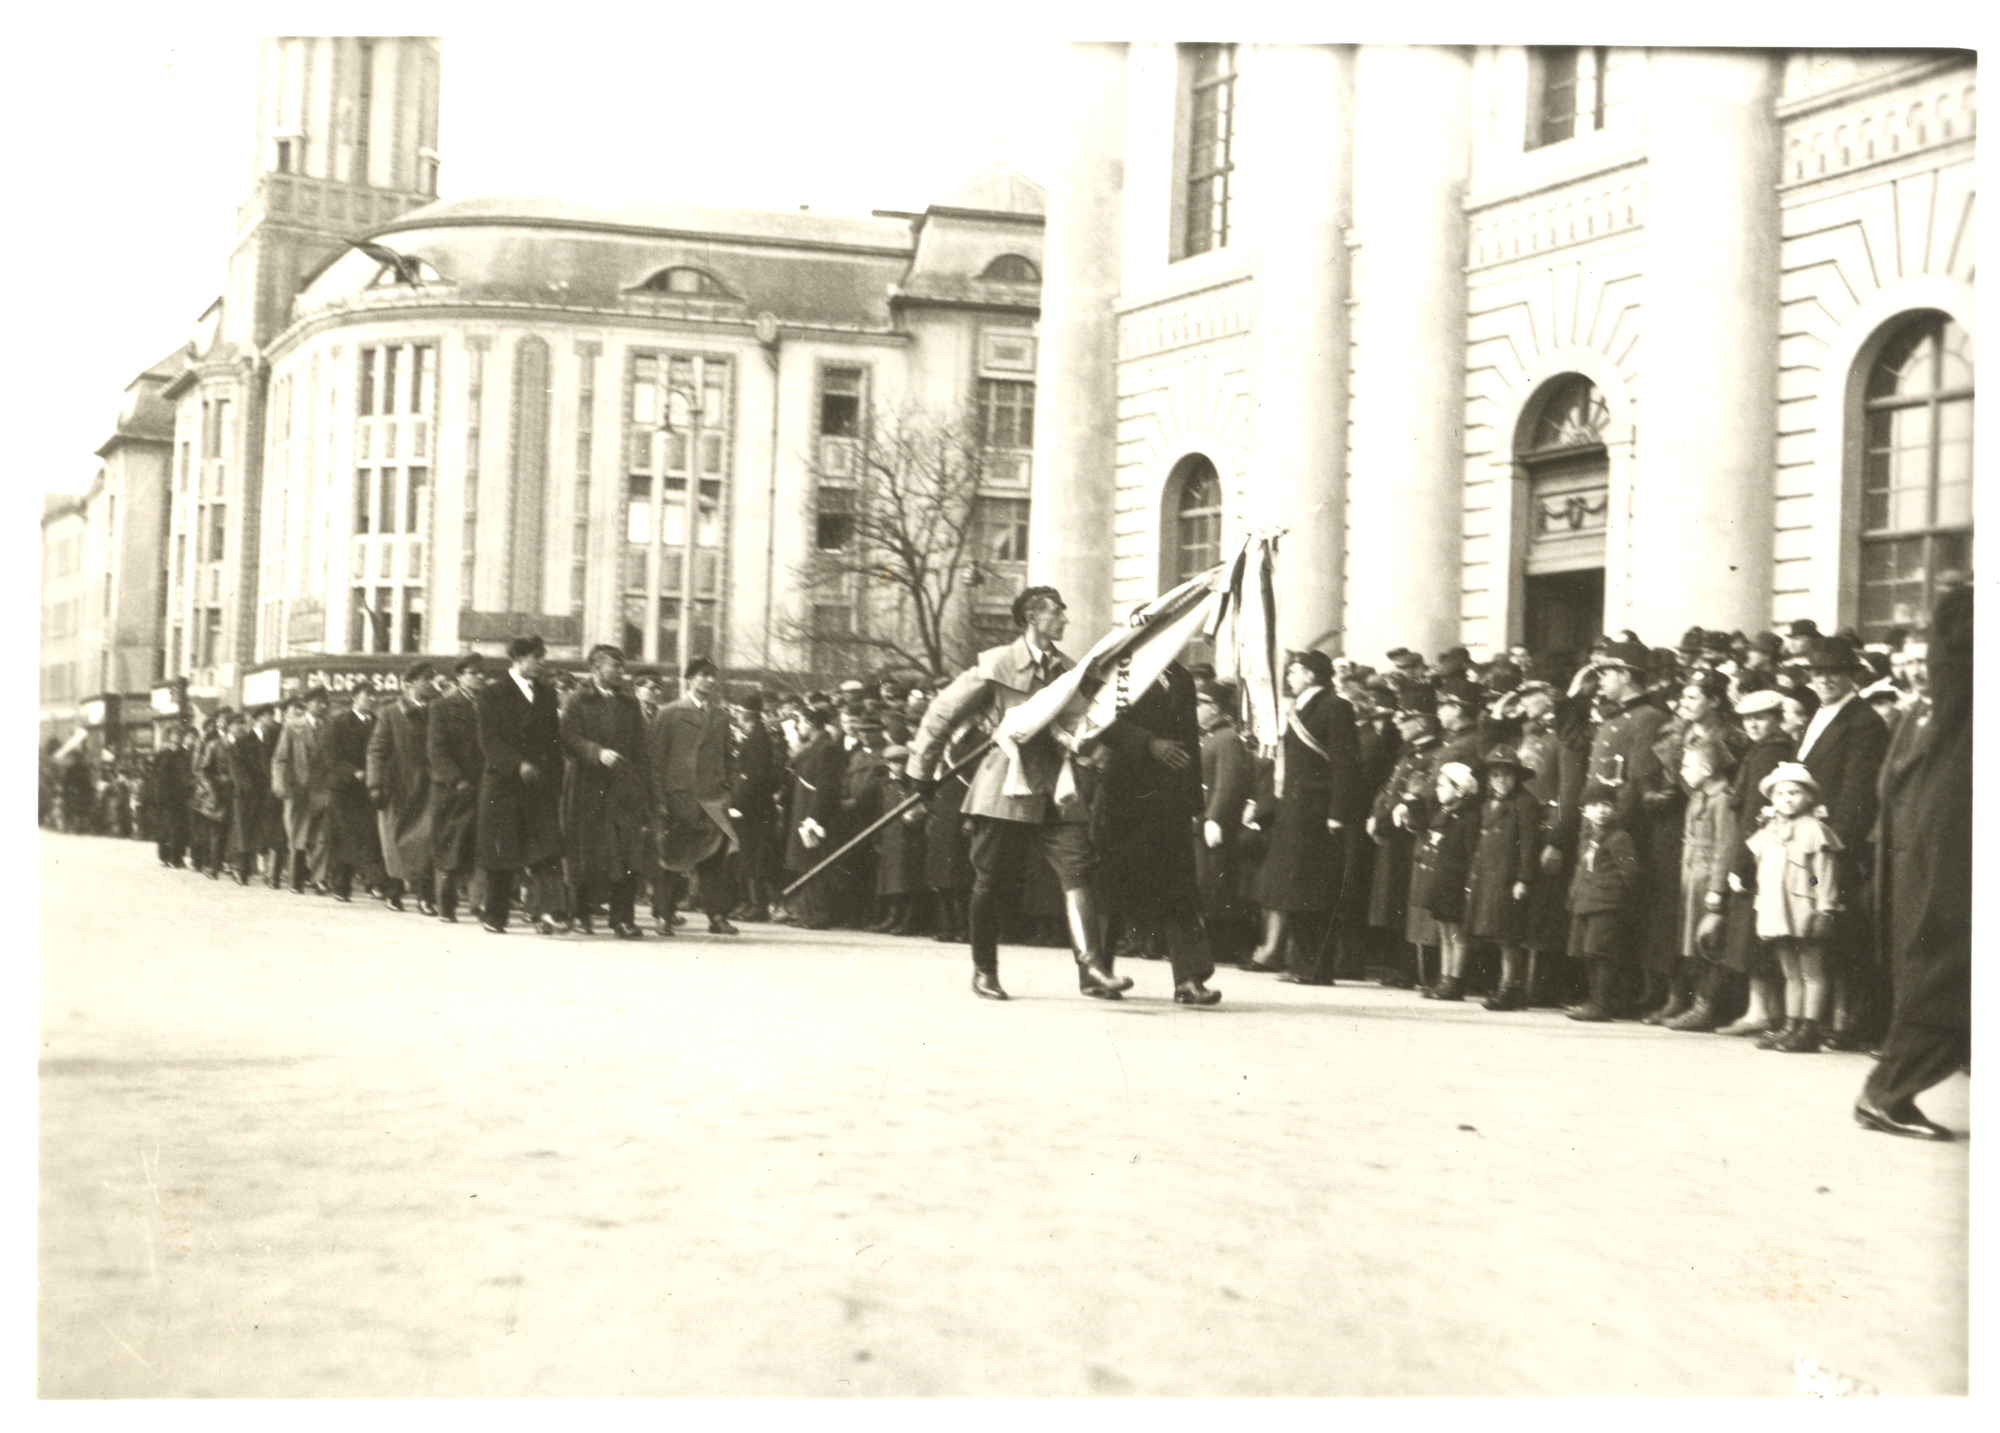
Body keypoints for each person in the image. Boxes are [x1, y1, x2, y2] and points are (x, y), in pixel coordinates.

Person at [905, 585, 1129, 1002]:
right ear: (1032, 618)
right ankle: (984, 972)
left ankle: (1093, 969)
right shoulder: (997, 663)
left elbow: (1086, 724)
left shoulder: (1070, 670)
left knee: (1078, 871)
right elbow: (942, 712)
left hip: (1057, 787)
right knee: (989, 879)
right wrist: (921, 769)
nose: (1065, 619)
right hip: (1005, 784)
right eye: (1056, 612)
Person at [1856, 585, 1970, 1140]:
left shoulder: (1945, 715)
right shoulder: (1953, 711)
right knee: (1945, 985)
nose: (1917, 669)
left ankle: (1887, 1093)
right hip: (1938, 872)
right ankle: (1887, 1094)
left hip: (1932, 866)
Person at [1092, 658, 1222, 1005]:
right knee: (1112, 884)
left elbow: (1190, 739)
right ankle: (1098, 974)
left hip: (1171, 797)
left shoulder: (1180, 675)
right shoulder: (1119, 665)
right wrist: (1148, 743)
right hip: (1125, 794)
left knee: (1180, 886)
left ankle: (1190, 979)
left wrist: (1194, 802)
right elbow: (1099, 720)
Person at [1793, 634, 1892, 1052]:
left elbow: (1857, 793)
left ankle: (1856, 1022)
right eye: (1817, 673)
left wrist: (1836, 847)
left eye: (1834, 673)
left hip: (1838, 846)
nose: (1825, 680)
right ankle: (1825, 1019)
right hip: (1809, 844)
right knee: (1819, 929)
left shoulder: (1863, 721)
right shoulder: (1820, 715)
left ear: (1852, 676)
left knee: (1845, 930)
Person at [1242, 649, 1363, 986]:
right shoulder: (1297, 708)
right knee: (1293, 892)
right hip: (1292, 814)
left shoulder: (1336, 706)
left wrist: (1338, 813)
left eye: (1294, 671)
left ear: (1311, 674)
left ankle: (1317, 967)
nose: (1290, 677)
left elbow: (1346, 764)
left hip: (1317, 814)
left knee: (1315, 894)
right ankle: (1302, 964)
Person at [1745, 762, 1844, 1053]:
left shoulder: (1815, 830)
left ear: (1809, 797)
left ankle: (1809, 1027)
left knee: (1811, 971)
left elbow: (1819, 873)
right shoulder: (1771, 830)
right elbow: (1764, 869)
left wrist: (1821, 904)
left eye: (1794, 793)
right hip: (1778, 909)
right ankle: (1792, 1024)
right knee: (1790, 972)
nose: (1786, 799)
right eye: (1780, 794)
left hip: (1803, 908)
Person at [1713, 689, 1796, 1038]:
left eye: (1761, 718)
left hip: (1757, 851)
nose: (1753, 725)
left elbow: (1752, 811)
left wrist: (1742, 863)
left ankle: (1759, 1011)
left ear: (1776, 718)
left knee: (1753, 934)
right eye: (1748, 719)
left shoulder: (1768, 751)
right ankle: (1768, 1011)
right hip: (1764, 849)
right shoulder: (1766, 748)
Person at [475, 636, 569, 934]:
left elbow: (553, 741)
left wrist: (555, 780)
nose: (543, 662)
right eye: (537, 657)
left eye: (543, 656)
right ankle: (494, 915)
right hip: (504, 784)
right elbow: (489, 740)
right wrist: (517, 764)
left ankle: (548, 912)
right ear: (518, 658)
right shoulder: (492, 694)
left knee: (547, 850)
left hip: (539, 785)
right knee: (501, 853)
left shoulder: (547, 693)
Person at [560, 644, 652, 939]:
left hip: (623, 789)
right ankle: (580, 915)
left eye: (623, 666)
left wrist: (644, 790)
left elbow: (641, 749)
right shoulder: (578, 700)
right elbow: (567, 737)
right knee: (585, 851)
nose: (621, 672)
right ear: (596, 668)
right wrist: (596, 752)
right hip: (587, 788)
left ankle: (622, 919)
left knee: (627, 853)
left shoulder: (629, 703)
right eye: (615, 666)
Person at [650, 656, 741, 936]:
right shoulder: (669, 713)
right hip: (680, 799)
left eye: (713, 675)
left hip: (713, 800)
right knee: (673, 859)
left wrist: (728, 791)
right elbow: (656, 761)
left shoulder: (721, 716)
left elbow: (729, 757)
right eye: (703, 675)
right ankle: (664, 915)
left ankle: (717, 917)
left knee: (714, 859)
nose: (710, 680)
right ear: (689, 679)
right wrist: (660, 799)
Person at [1671, 735, 1741, 1032]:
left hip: (1707, 878)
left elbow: (1726, 847)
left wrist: (1716, 888)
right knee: (1692, 942)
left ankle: (1707, 1006)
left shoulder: (1722, 800)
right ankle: (1694, 1004)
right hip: (1692, 876)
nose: (1682, 771)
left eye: (1687, 766)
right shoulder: (1698, 796)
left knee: (1708, 944)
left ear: (1708, 769)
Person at [1464, 745, 1542, 1011]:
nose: (1501, 780)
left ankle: (1511, 988)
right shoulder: (1488, 803)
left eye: (1507, 775)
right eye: (1495, 775)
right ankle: (1506, 985)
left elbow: (1529, 845)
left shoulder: (1525, 804)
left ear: (1517, 777)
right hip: (1488, 876)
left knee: (1509, 935)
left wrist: (1524, 879)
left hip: (1509, 877)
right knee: (1497, 934)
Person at [1564, 781, 1642, 1022]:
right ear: (1584, 811)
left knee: (1602, 954)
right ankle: (1595, 1000)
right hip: (1586, 903)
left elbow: (1631, 873)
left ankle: (1602, 1004)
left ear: (1615, 809)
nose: (1601, 810)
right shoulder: (1586, 837)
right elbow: (1581, 869)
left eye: (1607, 804)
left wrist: (1619, 898)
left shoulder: (1619, 838)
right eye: (1594, 805)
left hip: (1607, 905)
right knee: (1589, 953)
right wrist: (1574, 896)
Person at [1195, 679, 1257, 969]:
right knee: (1207, 883)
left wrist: (1215, 818)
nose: (1195, 709)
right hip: (1202, 820)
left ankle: (1223, 946)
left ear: (1215, 708)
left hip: (1215, 823)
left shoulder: (1227, 738)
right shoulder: (1212, 736)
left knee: (1216, 885)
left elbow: (1228, 783)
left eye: (1200, 704)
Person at [369, 664, 440, 914]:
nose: (430, 683)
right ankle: (394, 891)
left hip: (429, 786)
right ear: (409, 684)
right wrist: (375, 784)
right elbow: (377, 750)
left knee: (427, 839)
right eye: (425, 679)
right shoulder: (391, 713)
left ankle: (425, 896)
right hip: (399, 786)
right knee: (396, 841)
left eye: (432, 678)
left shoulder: (436, 710)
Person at [1410, 761, 1481, 1000]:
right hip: (1441, 881)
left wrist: (1469, 884)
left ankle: (1455, 980)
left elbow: (1472, 854)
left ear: (1459, 790)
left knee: (1456, 935)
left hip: (1456, 882)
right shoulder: (1444, 813)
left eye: (1443, 786)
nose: (1437, 790)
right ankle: (1444, 978)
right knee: (1444, 933)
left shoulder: (1467, 817)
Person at [426, 655, 488, 923]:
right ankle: (445, 902)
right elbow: (436, 750)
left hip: (484, 785)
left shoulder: (489, 705)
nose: (480, 677)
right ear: (460, 677)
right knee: (450, 845)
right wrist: (457, 779)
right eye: (474, 673)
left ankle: (479, 903)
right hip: (451, 789)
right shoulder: (442, 707)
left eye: (482, 673)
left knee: (481, 845)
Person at [782, 702, 847, 931]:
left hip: (813, 815)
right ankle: (806, 911)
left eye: (800, 722)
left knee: (814, 863)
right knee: (804, 862)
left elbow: (826, 787)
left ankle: (818, 913)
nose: (798, 727)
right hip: (803, 810)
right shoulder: (813, 746)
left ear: (810, 724)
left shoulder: (826, 748)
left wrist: (814, 818)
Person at [323, 686, 387, 902]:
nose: (371, 699)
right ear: (354, 698)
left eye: (373, 696)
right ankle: (341, 885)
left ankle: (374, 883)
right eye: (366, 696)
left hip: (369, 788)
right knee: (345, 837)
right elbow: (331, 756)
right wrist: (354, 772)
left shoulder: (378, 722)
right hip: (345, 789)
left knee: (371, 837)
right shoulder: (339, 723)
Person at [727, 691, 782, 923]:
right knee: (748, 856)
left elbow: (752, 777)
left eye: (739, 713)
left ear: (745, 715)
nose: (737, 717)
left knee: (754, 857)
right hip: (753, 807)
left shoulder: (757, 739)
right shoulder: (754, 736)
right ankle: (749, 902)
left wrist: (738, 804)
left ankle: (758, 905)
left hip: (753, 809)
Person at [271, 688, 333, 893]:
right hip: (298, 790)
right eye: (318, 702)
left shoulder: (329, 726)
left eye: (325, 703)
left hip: (323, 790)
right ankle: (296, 880)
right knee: (298, 835)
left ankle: (319, 878)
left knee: (323, 836)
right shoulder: (292, 727)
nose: (322, 706)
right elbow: (280, 758)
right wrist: (279, 783)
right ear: (308, 704)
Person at [146, 724, 193, 868]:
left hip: (181, 796)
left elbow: (188, 774)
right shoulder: (162, 754)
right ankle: (165, 856)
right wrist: (158, 795)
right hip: (165, 797)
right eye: (174, 735)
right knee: (166, 827)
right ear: (169, 737)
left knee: (180, 828)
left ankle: (178, 857)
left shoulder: (185, 754)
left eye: (179, 735)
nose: (177, 738)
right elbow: (156, 775)